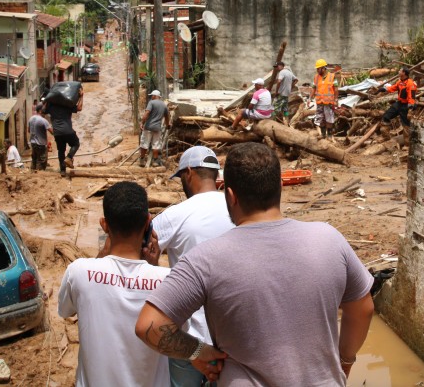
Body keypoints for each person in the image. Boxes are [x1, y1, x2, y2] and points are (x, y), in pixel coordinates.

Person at [136, 142, 374, 386]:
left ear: (231, 196)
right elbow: (363, 309)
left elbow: (149, 326)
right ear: (280, 187)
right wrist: (345, 359)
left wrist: (198, 352)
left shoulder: (205, 259)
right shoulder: (329, 239)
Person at [58, 181, 171, 387]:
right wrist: (153, 267)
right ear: (148, 222)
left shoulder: (79, 271)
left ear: (104, 224)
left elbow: (65, 311)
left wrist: (100, 256)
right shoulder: (168, 280)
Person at [145, 146, 234, 386]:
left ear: (189, 173)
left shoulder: (176, 215)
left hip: (190, 341)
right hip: (232, 336)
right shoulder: (237, 208)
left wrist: (154, 265)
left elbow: (139, 249)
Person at [43, 87, 83, 177]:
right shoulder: (67, 105)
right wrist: (81, 96)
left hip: (57, 133)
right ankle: (69, 157)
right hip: (68, 131)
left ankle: (62, 171)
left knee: (61, 151)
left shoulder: (50, 107)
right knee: (76, 144)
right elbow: (79, 108)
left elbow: (42, 110)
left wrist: (47, 100)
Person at [140, 90, 171, 168]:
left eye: (152, 96)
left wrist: (142, 123)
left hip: (148, 127)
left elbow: (147, 113)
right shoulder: (164, 105)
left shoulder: (151, 102)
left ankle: (142, 160)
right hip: (157, 128)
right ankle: (155, 161)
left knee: (144, 143)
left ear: (154, 96)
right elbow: (167, 116)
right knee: (156, 144)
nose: (151, 97)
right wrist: (167, 125)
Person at [311, 58, 338, 139]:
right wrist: (309, 99)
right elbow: (313, 88)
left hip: (328, 102)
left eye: (318, 69)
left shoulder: (332, 76)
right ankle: (323, 135)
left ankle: (329, 135)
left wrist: (336, 100)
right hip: (319, 102)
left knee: (329, 119)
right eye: (317, 69)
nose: (317, 70)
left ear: (323, 68)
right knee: (321, 119)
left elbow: (336, 89)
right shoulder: (316, 77)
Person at [28, 103, 53, 171]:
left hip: (33, 143)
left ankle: (32, 173)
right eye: (44, 109)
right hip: (41, 144)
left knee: (34, 159)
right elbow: (52, 132)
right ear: (40, 111)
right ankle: (39, 174)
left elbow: (29, 131)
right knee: (42, 161)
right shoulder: (43, 120)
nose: (45, 110)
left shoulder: (31, 118)